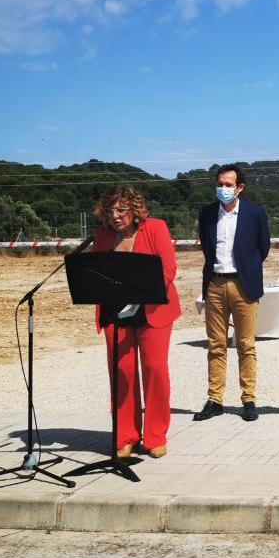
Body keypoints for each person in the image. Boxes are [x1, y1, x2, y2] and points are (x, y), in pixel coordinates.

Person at [90, 185, 180, 459]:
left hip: (151, 309)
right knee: (122, 373)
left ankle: (154, 437)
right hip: (115, 313)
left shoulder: (155, 228)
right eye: (110, 211)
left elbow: (168, 267)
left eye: (121, 209)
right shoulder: (102, 237)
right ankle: (125, 435)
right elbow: (95, 273)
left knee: (154, 370)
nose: (115, 216)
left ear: (135, 209)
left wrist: (142, 295)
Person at [193, 164, 271, 423]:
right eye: (220, 184)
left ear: (240, 188)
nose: (223, 189)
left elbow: (264, 248)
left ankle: (248, 399)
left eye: (228, 185)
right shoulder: (206, 214)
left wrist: (248, 269)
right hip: (215, 284)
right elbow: (207, 247)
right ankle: (215, 399)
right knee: (216, 345)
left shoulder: (255, 213)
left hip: (243, 285)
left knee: (246, 345)